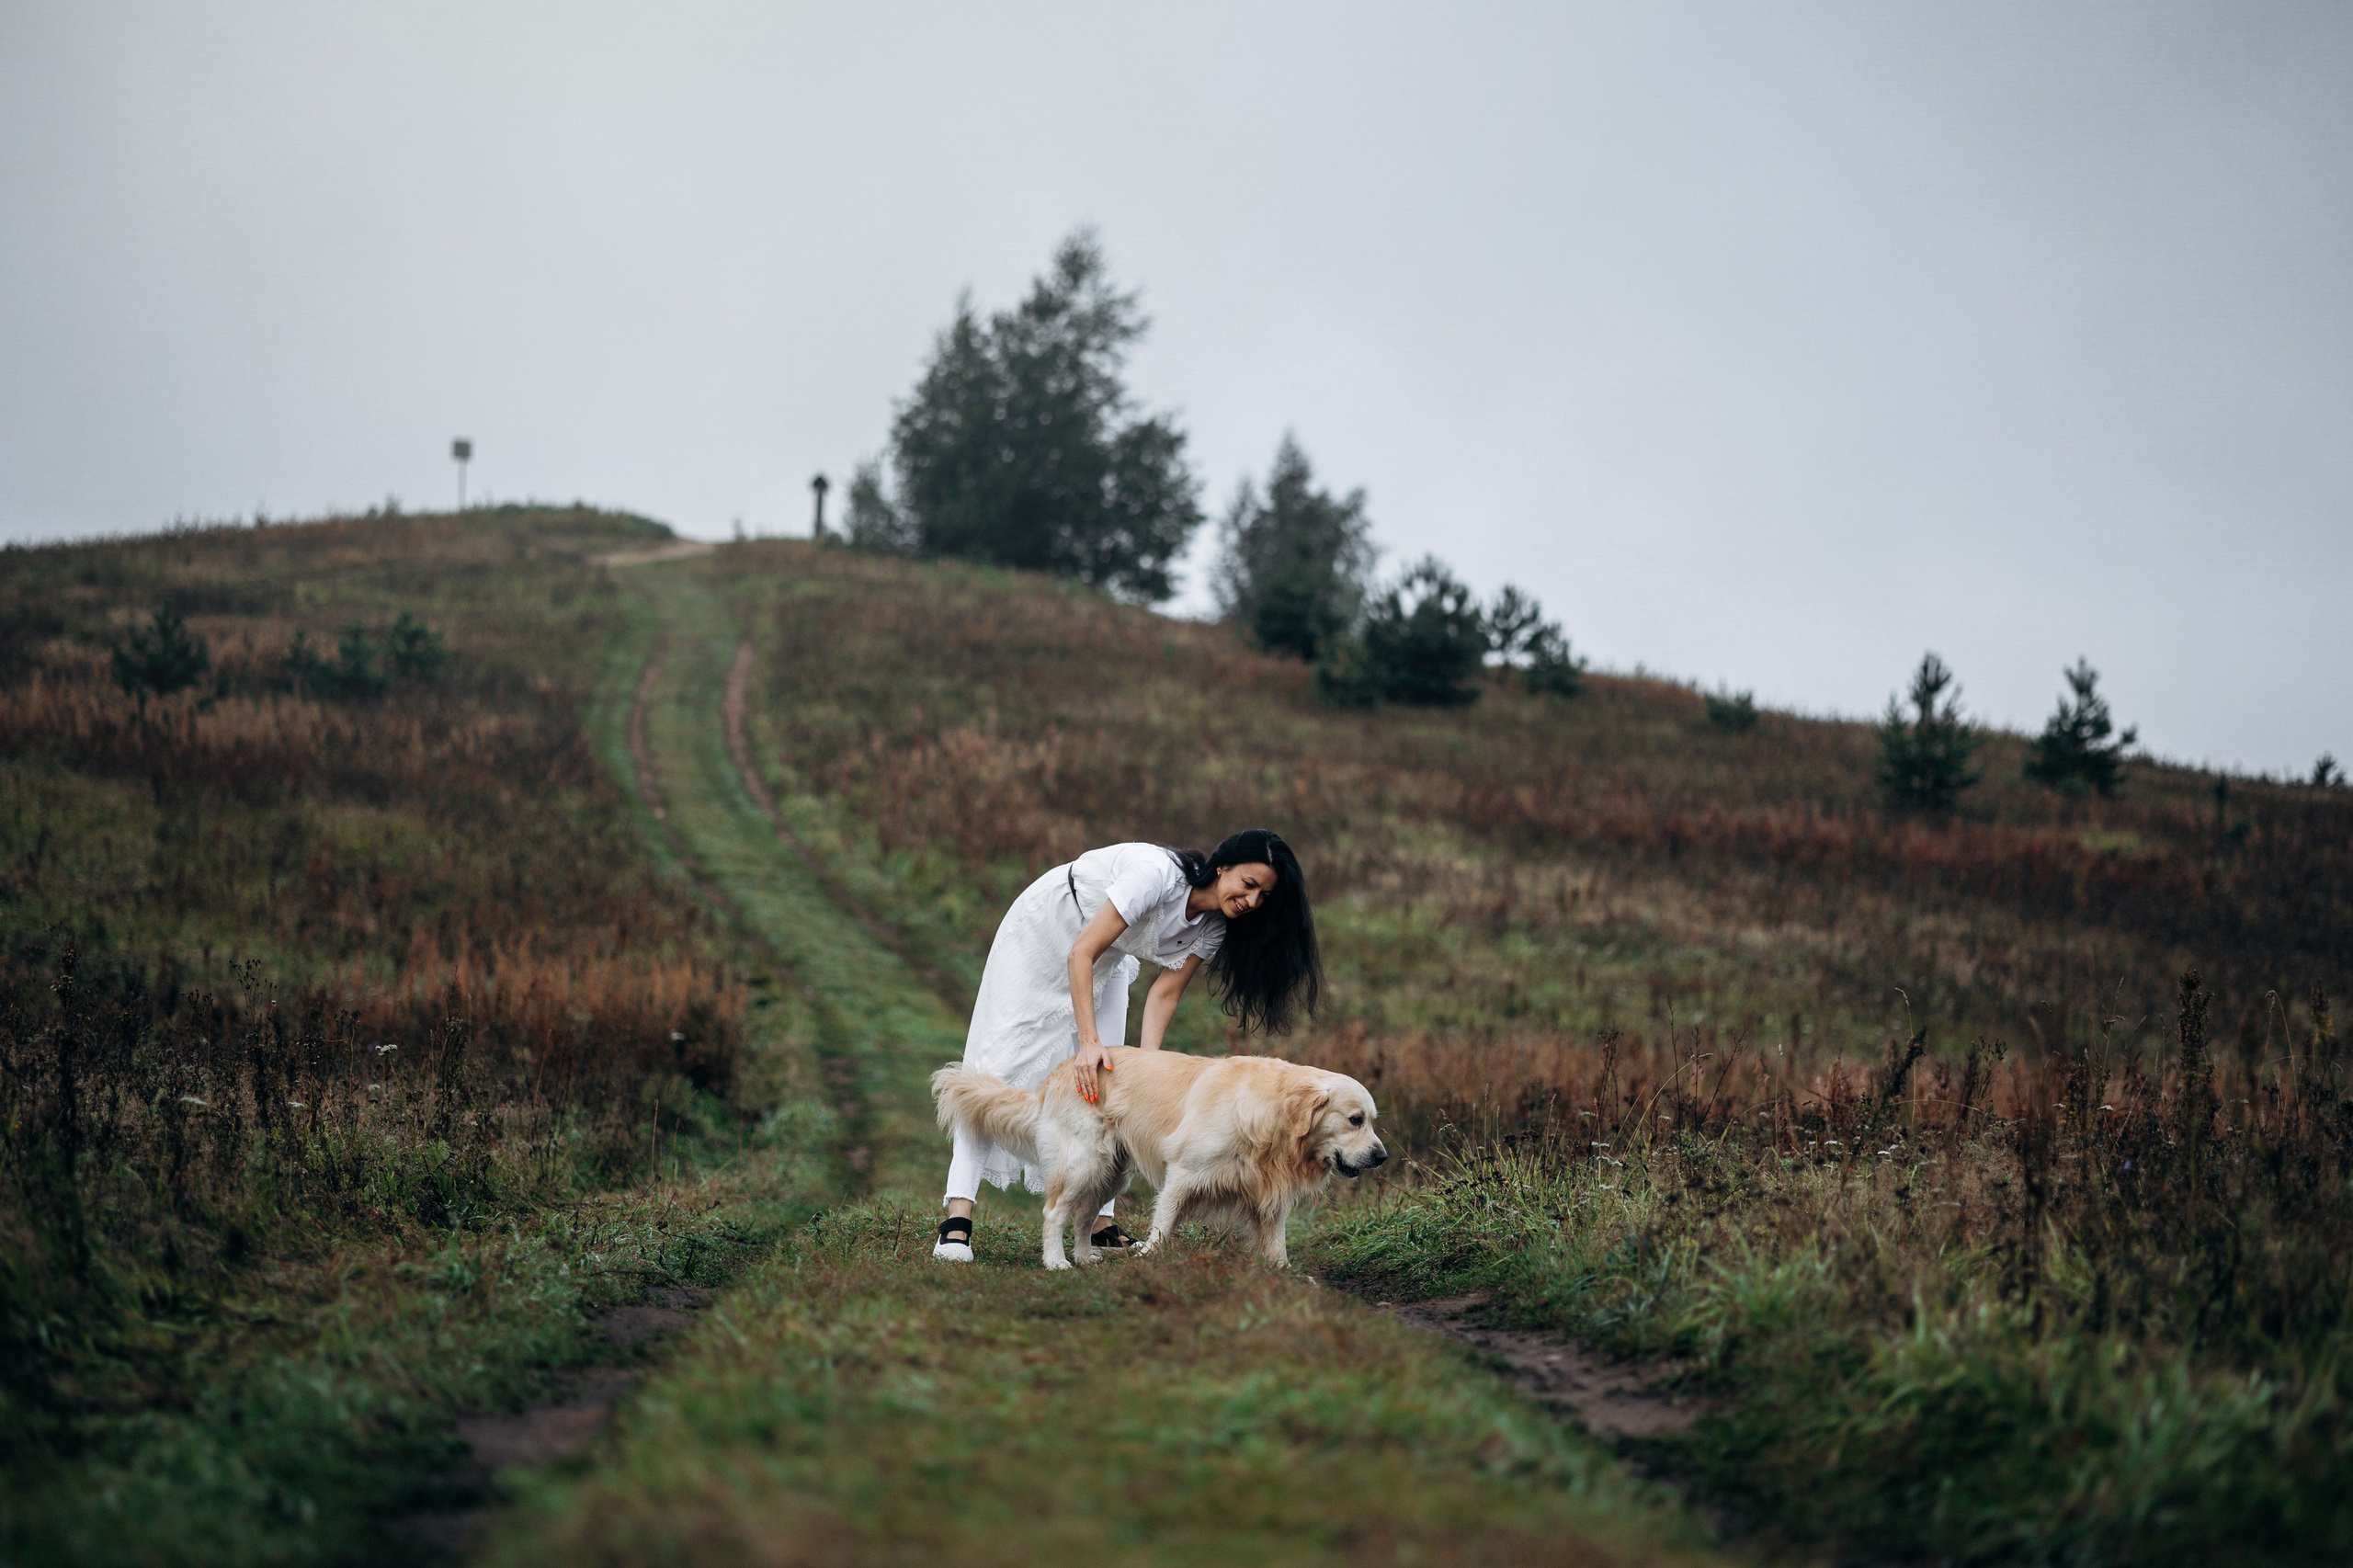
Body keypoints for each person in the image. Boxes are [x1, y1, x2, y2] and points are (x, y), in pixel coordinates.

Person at [934, 828, 1322, 1261]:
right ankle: (957, 1221)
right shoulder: (1156, 875)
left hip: (1110, 955)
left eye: (1263, 896)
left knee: (1112, 1089)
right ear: (1223, 866)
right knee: (998, 1063)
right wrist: (1087, 1042)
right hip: (1050, 931)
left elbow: (1164, 994)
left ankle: (1100, 1225)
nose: (1251, 901)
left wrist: (1149, 1074)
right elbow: (1080, 953)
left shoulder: (1213, 927)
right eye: (1248, 885)